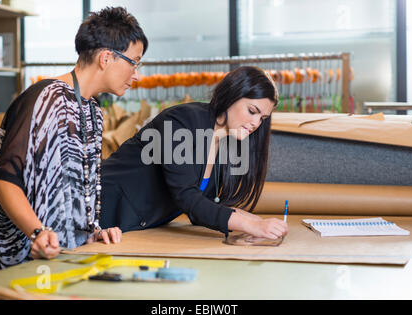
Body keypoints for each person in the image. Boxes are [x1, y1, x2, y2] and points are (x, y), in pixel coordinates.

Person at [0, 6, 148, 275]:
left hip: (60, 261)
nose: (136, 74)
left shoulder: (92, 110)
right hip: (16, 267)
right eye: (134, 62)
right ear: (106, 58)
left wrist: (90, 233)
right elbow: (3, 182)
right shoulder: (45, 99)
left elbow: (74, 196)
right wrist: (37, 232)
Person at [100, 66, 289, 240]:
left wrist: (259, 223)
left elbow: (202, 209)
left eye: (262, 118)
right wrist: (252, 225)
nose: (256, 123)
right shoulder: (181, 122)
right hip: (98, 210)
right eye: (252, 111)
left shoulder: (225, 146)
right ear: (232, 96)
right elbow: (187, 197)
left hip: (126, 229)